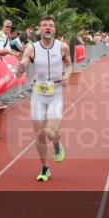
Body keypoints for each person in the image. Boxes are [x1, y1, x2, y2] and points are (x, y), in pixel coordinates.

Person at [15, 16, 72, 182]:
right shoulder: (31, 47)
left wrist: (67, 76)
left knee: (50, 131)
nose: (48, 28)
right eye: (45, 25)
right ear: (40, 29)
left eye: (51, 26)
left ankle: (56, 143)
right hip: (38, 93)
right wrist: (21, 68)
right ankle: (45, 167)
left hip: (56, 92)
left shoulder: (62, 47)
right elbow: (24, 62)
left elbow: (69, 65)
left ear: (55, 30)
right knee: (40, 134)